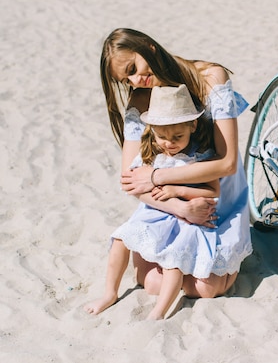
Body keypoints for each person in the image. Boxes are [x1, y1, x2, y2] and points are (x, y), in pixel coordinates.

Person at [96, 28, 252, 304]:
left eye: (133, 68)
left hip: (216, 201)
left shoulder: (209, 77)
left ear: (148, 46)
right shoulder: (141, 97)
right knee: (149, 281)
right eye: (127, 78)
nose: (136, 80)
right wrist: (179, 207)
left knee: (206, 288)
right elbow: (131, 180)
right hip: (167, 205)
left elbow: (226, 164)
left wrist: (157, 176)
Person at [86, 85, 222, 319]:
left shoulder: (199, 158)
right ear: (152, 130)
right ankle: (110, 293)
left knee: (174, 259)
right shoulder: (150, 155)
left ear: (193, 125)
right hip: (153, 213)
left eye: (177, 137)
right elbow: (132, 185)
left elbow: (212, 192)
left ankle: (159, 311)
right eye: (162, 137)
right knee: (120, 237)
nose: (169, 143)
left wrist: (175, 189)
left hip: (186, 221)